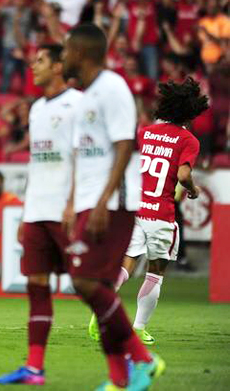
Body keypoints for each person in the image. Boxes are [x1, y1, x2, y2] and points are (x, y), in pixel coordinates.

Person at [61, 23, 163, 389]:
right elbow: (80, 154)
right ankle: (121, 379)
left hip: (114, 201)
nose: (62, 58)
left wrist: (104, 200)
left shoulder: (113, 88)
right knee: (94, 286)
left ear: (81, 53)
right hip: (91, 200)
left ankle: (142, 359)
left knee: (86, 282)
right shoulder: (83, 96)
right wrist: (73, 201)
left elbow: (124, 145)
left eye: (66, 51)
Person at [88, 77, 209, 346]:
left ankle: (103, 307)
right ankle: (139, 327)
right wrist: (193, 190)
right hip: (161, 214)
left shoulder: (145, 132)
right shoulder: (188, 140)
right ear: (191, 111)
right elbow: (184, 173)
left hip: (135, 210)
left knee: (127, 263)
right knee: (156, 272)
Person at [0, 44, 82, 385]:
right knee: (36, 284)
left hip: (66, 210)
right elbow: (36, 164)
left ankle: (134, 358)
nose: (33, 65)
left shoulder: (76, 104)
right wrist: (25, 212)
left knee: (89, 287)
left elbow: (80, 156)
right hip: (38, 210)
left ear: (59, 66)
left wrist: (74, 203)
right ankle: (34, 367)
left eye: (41, 60)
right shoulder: (37, 109)